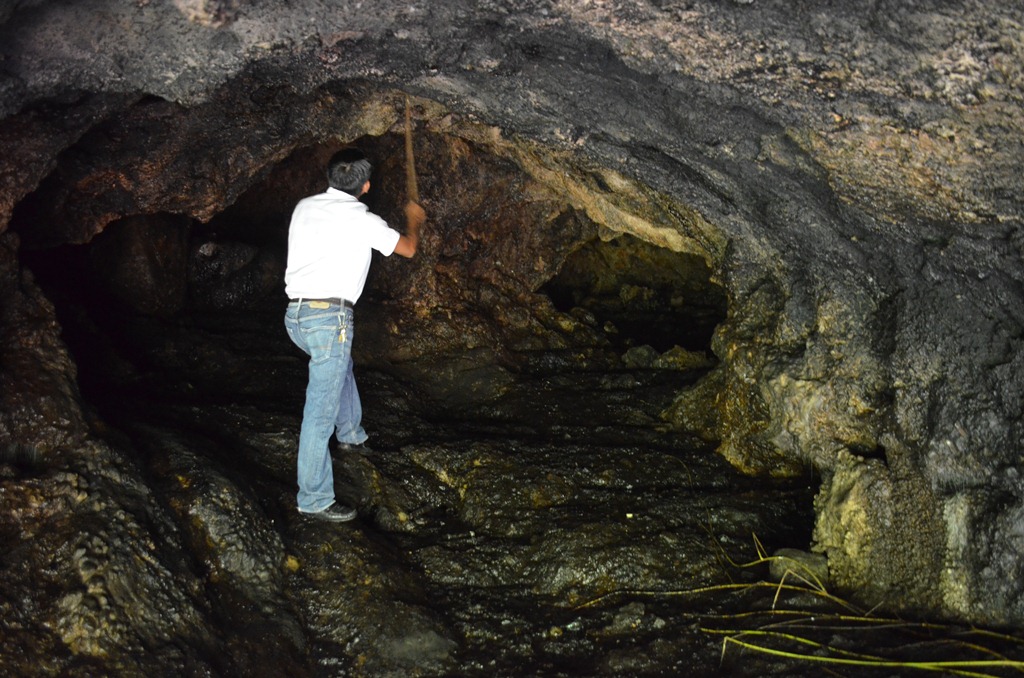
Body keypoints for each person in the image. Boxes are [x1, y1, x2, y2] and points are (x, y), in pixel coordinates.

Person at [283, 148, 426, 522]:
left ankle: (351, 433)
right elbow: (408, 249)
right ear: (366, 185)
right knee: (318, 412)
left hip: (295, 317)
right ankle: (313, 498)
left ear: (330, 177)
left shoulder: (304, 207)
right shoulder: (363, 219)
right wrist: (414, 221)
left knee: (338, 366)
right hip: (329, 320)